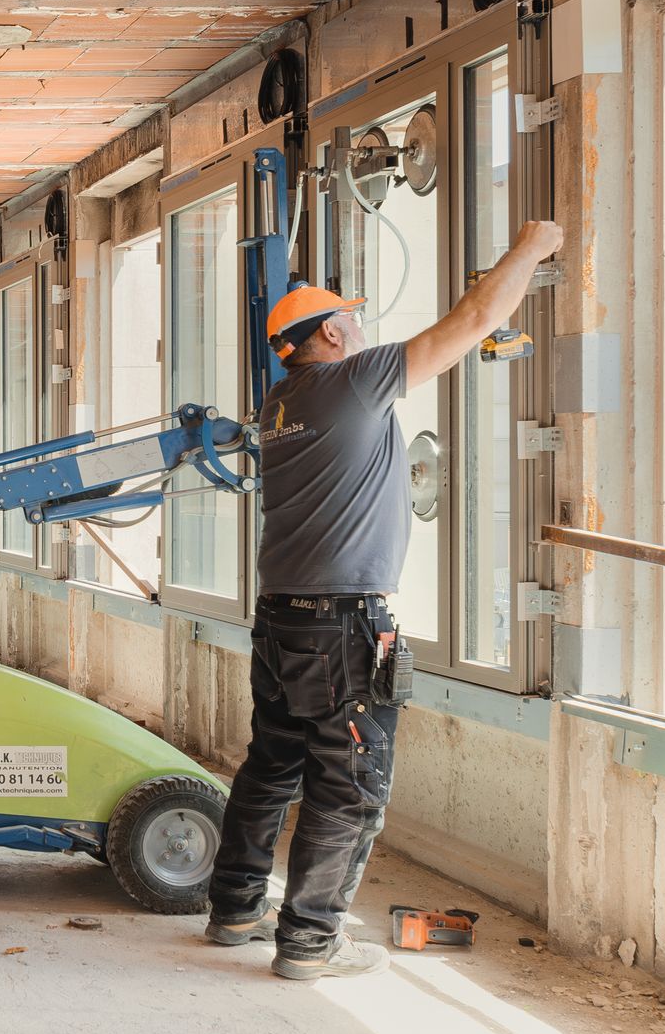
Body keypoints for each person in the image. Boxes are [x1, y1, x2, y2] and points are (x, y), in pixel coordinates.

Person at [204, 218, 564, 979]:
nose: (365, 330)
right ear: (332, 334)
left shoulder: (280, 404)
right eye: (355, 320)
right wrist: (530, 249)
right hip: (339, 626)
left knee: (272, 763)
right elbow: (469, 325)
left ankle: (236, 905)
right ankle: (307, 938)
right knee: (348, 782)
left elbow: (467, 323)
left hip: (281, 619)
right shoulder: (352, 382)